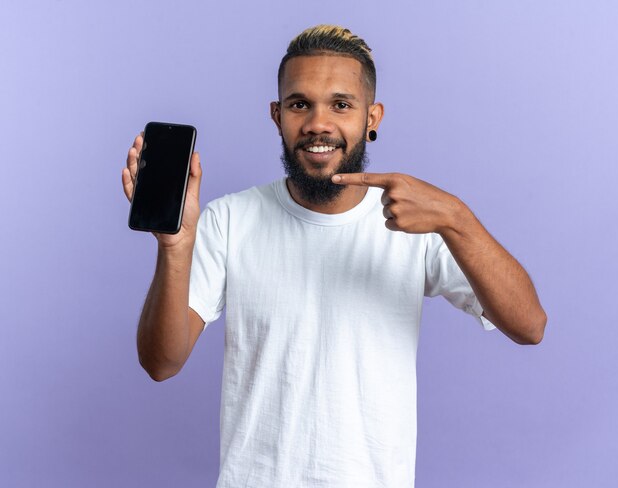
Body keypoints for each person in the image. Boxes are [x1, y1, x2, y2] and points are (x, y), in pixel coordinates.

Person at [122, 24, 547, 488]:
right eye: (299, 104)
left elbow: (529, 326)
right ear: (276, 115)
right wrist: (175, 246)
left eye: (340, 105)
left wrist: (456, 217)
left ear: (372, 117)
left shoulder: (419, 221)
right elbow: (161, 363)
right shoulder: (229, 219)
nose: (318, 123)